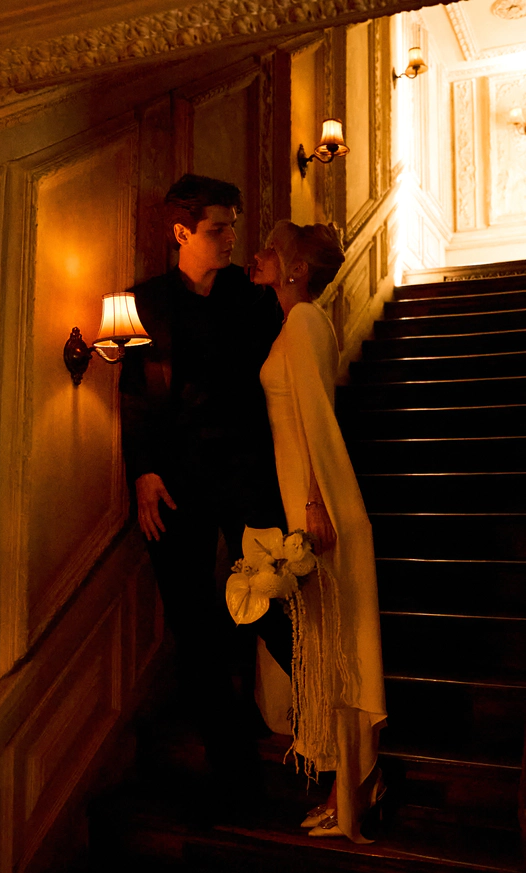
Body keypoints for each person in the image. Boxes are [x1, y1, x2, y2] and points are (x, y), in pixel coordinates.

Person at [119, 174, 291, 815]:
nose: (230, 239)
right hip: (175, 481)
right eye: (218, 228)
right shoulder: (144, 301)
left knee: (273, 604)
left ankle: (332, 728)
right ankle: (234, 776)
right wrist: (143, 471)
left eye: (233, 227)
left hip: (247, 473)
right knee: (192, 622)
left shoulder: (254, 295)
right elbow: (134, 394)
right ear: (181, 232)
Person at [251, 220, 387, 843]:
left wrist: (313, 506)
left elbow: (315, 420)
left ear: (296, 270)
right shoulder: (294, 323)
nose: (259, 255)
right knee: (329, 653)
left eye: (272, 251)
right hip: (306, 506)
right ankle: (353, 786)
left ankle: (351, 793)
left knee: (338, 654)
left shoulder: (305, 320)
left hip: (320, 508)